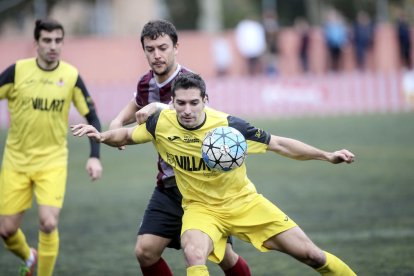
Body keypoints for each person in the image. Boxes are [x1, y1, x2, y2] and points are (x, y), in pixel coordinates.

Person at [72, 72, 357, 276]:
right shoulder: (161, 123)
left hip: (244, 203)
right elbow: (126, 135)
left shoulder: (230, 127)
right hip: (200, 209)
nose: (186, 110)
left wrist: (326, 155)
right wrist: (101, 135)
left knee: (312, 255)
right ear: (171, 102)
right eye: (180, 103)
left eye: (194, 103)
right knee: (194, 254)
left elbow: (280, 144)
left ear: (205, 100)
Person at [109, 20, 251, 275]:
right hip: (168, 185)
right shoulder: (146, 83)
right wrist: (118, 122)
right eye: (150, 49)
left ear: (176, 47)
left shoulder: (190, 83)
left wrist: (158, 108)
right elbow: (137, 102)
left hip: (202, 187)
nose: (157, 55)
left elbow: (200, 117)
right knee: (145, 251)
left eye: (162, 47)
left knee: (224, 258)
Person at [0, 19, 102, 276]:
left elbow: (93, 117)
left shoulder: (70, 76)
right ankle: (28, 255)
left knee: (48, 222)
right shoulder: (17, 72)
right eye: (47, 40)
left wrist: (94, 156)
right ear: (36, 43)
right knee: (6, 230)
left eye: (58, 40)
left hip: (52, 161)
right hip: (16, 161)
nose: (53, 46)